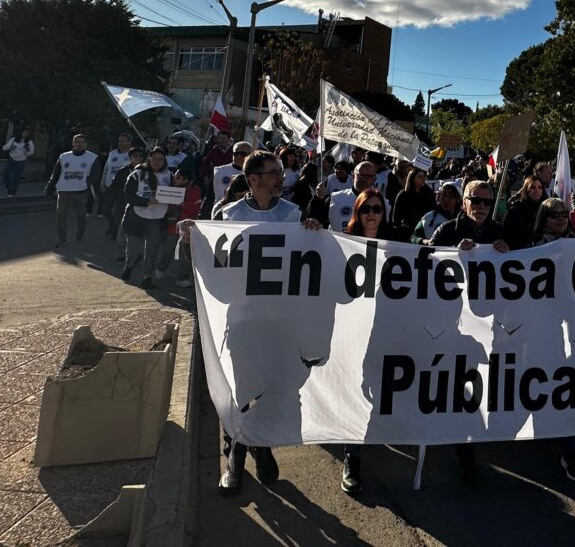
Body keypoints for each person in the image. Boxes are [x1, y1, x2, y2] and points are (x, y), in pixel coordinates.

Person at [209, 150, 320, 496]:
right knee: (241, 390)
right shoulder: (228, 216)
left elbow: (308, 261)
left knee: (273, 389)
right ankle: (235, 458)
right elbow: (214, 265)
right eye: (273, 173)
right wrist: (192, 238)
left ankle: (262, 445)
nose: (280, 178)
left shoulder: (293, 215)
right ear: (253, 179)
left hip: (279, 322)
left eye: (282, 171)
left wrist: (313, 234)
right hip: (242, 320)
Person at [429, 179, 509, 479]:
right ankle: (464, 450)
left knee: (479, 383)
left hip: (488, 323)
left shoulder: (499, 232)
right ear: (464, 202)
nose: (482, 207)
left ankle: (471, 437)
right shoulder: (447, 230)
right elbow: (421, 257)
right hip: (452, 322)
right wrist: (449, 251)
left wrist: (508, 251)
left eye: (487, 202)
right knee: (456, 382)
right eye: (476, 201)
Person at [338, 188, 396, 495]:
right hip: (354, 333)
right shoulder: (343, 243)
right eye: (365, 209)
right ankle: (352, 457)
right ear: (357, 213)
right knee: (355, 396)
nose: (371, 214)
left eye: (377, 209)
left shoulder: (396, 245)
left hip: (386, 331)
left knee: (381, 391)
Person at [532, 197, 575, 483]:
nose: (560, 218)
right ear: (543, 217)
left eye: (564, 214)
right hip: (543, 327)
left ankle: (570, 449)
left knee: (568, 383)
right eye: (554, 214)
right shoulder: (530, 248)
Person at [121, 147, 171, 290]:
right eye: (154, 158)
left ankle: (146, 277)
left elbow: (177, 193)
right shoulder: (137, 174)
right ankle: (129, 264)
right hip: (137, 215)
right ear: (149, 159)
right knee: (133, 248)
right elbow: (127, 195)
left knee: (152, 249)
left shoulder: (170, 175)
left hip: (157, 217)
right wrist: (145, 202)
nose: (157, 162)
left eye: (160, 159)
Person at [45, 133, 100, 248]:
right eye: (77, 141)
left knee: (81, 215)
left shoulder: (92, 157)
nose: (79, 144)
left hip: (80, 191)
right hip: (64, 190)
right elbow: (56, 173)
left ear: (85, 144)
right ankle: (62, 239)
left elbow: (95, 174)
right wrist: (50, 187)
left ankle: (80, 234)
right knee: (61, 215)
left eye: (82, 142)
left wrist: (86, 182)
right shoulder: (64, 156)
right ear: (73, 143)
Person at [156, 166, 202, 288]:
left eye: (179, 177)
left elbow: (196, 209)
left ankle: (182, 277)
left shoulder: (194, 191)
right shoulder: (169, 190)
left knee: (185, 255)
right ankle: (160, 268)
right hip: (172, 227)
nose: (175, 179)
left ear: (186, 180)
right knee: (167, 250)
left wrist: (182, 204)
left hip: (186, 228)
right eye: (175, 176)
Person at [111, 147, 144, 259]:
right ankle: (119, 253)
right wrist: (122, 198)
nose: (138, 158)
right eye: (135, 156)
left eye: (140, 156)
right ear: (130, 157)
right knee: (122, 229)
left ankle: (137, 253)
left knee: (139, 231)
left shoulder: (147, 171)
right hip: (123, 204)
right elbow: (114, 187)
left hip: (140, 204)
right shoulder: (122, 171)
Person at [100, 133, 134, 239]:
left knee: (119, 211)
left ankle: (117, 232)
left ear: (129, 142)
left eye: (123, 141)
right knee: (105, 209)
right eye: (119, 141)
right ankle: (113, 225)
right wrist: (103, 182)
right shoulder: (112, 153)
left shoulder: (133, 154)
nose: (121, 143)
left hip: (124, 187)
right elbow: (106, 169)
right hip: (111, 186)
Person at [391, 167, 436, 242]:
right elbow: (396, 217)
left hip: (423, 231)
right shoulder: (403, 195)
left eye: (423, 176)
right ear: (412, 179)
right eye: (420, 177)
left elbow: (433, 211)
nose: (423, 179)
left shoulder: (428, 194)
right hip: (406, 232)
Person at [504, 174, 545, 249]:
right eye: (533, 187)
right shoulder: (515, 210)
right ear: (526, 189)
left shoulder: (546, 209)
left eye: (540, 187)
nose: (537, 190)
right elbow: (507, 235)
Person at [2, 127, 35, 197]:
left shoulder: (29, 142)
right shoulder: (14, 139)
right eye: (24, 132)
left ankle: (12, 192)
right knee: (5, 175)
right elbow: (5, 147)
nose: (25, 134)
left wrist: (27, 149)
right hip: (11, 159)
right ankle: (10, 188)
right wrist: (11, 148)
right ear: (21, 132)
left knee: (16, 177)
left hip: (21, 160)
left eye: (27, 133)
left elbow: (30, 153)